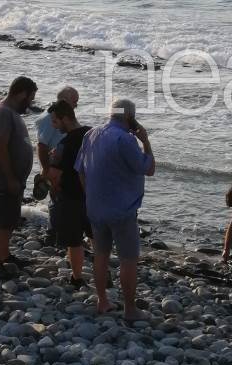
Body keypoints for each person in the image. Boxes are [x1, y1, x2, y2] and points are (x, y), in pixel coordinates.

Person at [74, 98, 155, 320]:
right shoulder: (126, 139)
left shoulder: (91, 134)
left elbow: (80, 170)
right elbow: (148, 169)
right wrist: (145, 141)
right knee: (128, 259)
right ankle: (130, 309)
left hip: (96, 207)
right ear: (130, 117)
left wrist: (90, 194)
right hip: (122, 209)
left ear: (111, 114)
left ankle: (103, 301)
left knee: (101, 254)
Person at [0, 76, 37, 279]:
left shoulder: (9, 112)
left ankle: (4, 255)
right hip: (3, 180)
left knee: (10, 220)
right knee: (4, 222)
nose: (31, 103)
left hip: (12, 179)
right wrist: (9, 177)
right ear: (21, 93)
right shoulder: (3, 112)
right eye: (30, 98)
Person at [47, 100, 93, 286]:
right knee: (97, 237)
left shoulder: (65, 144)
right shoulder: (92, 134)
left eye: (55, 121)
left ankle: (77, 277)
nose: (53, 125)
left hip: (71, 197)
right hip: (94, 195)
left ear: (65, 118)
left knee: (74, 241)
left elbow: (55, 174)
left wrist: (49, 175)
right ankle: (104, 274)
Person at [35, 86, 79, 246]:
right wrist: (46, 170)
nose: (76, 105)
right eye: (74, 102)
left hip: (61, 165)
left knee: (61, 199)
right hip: (54, 166)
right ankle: (53, 235)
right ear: (64, 101)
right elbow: (41, 145)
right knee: (57, 198)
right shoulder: (50, 118)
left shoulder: (60, 117)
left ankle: (58, 234)